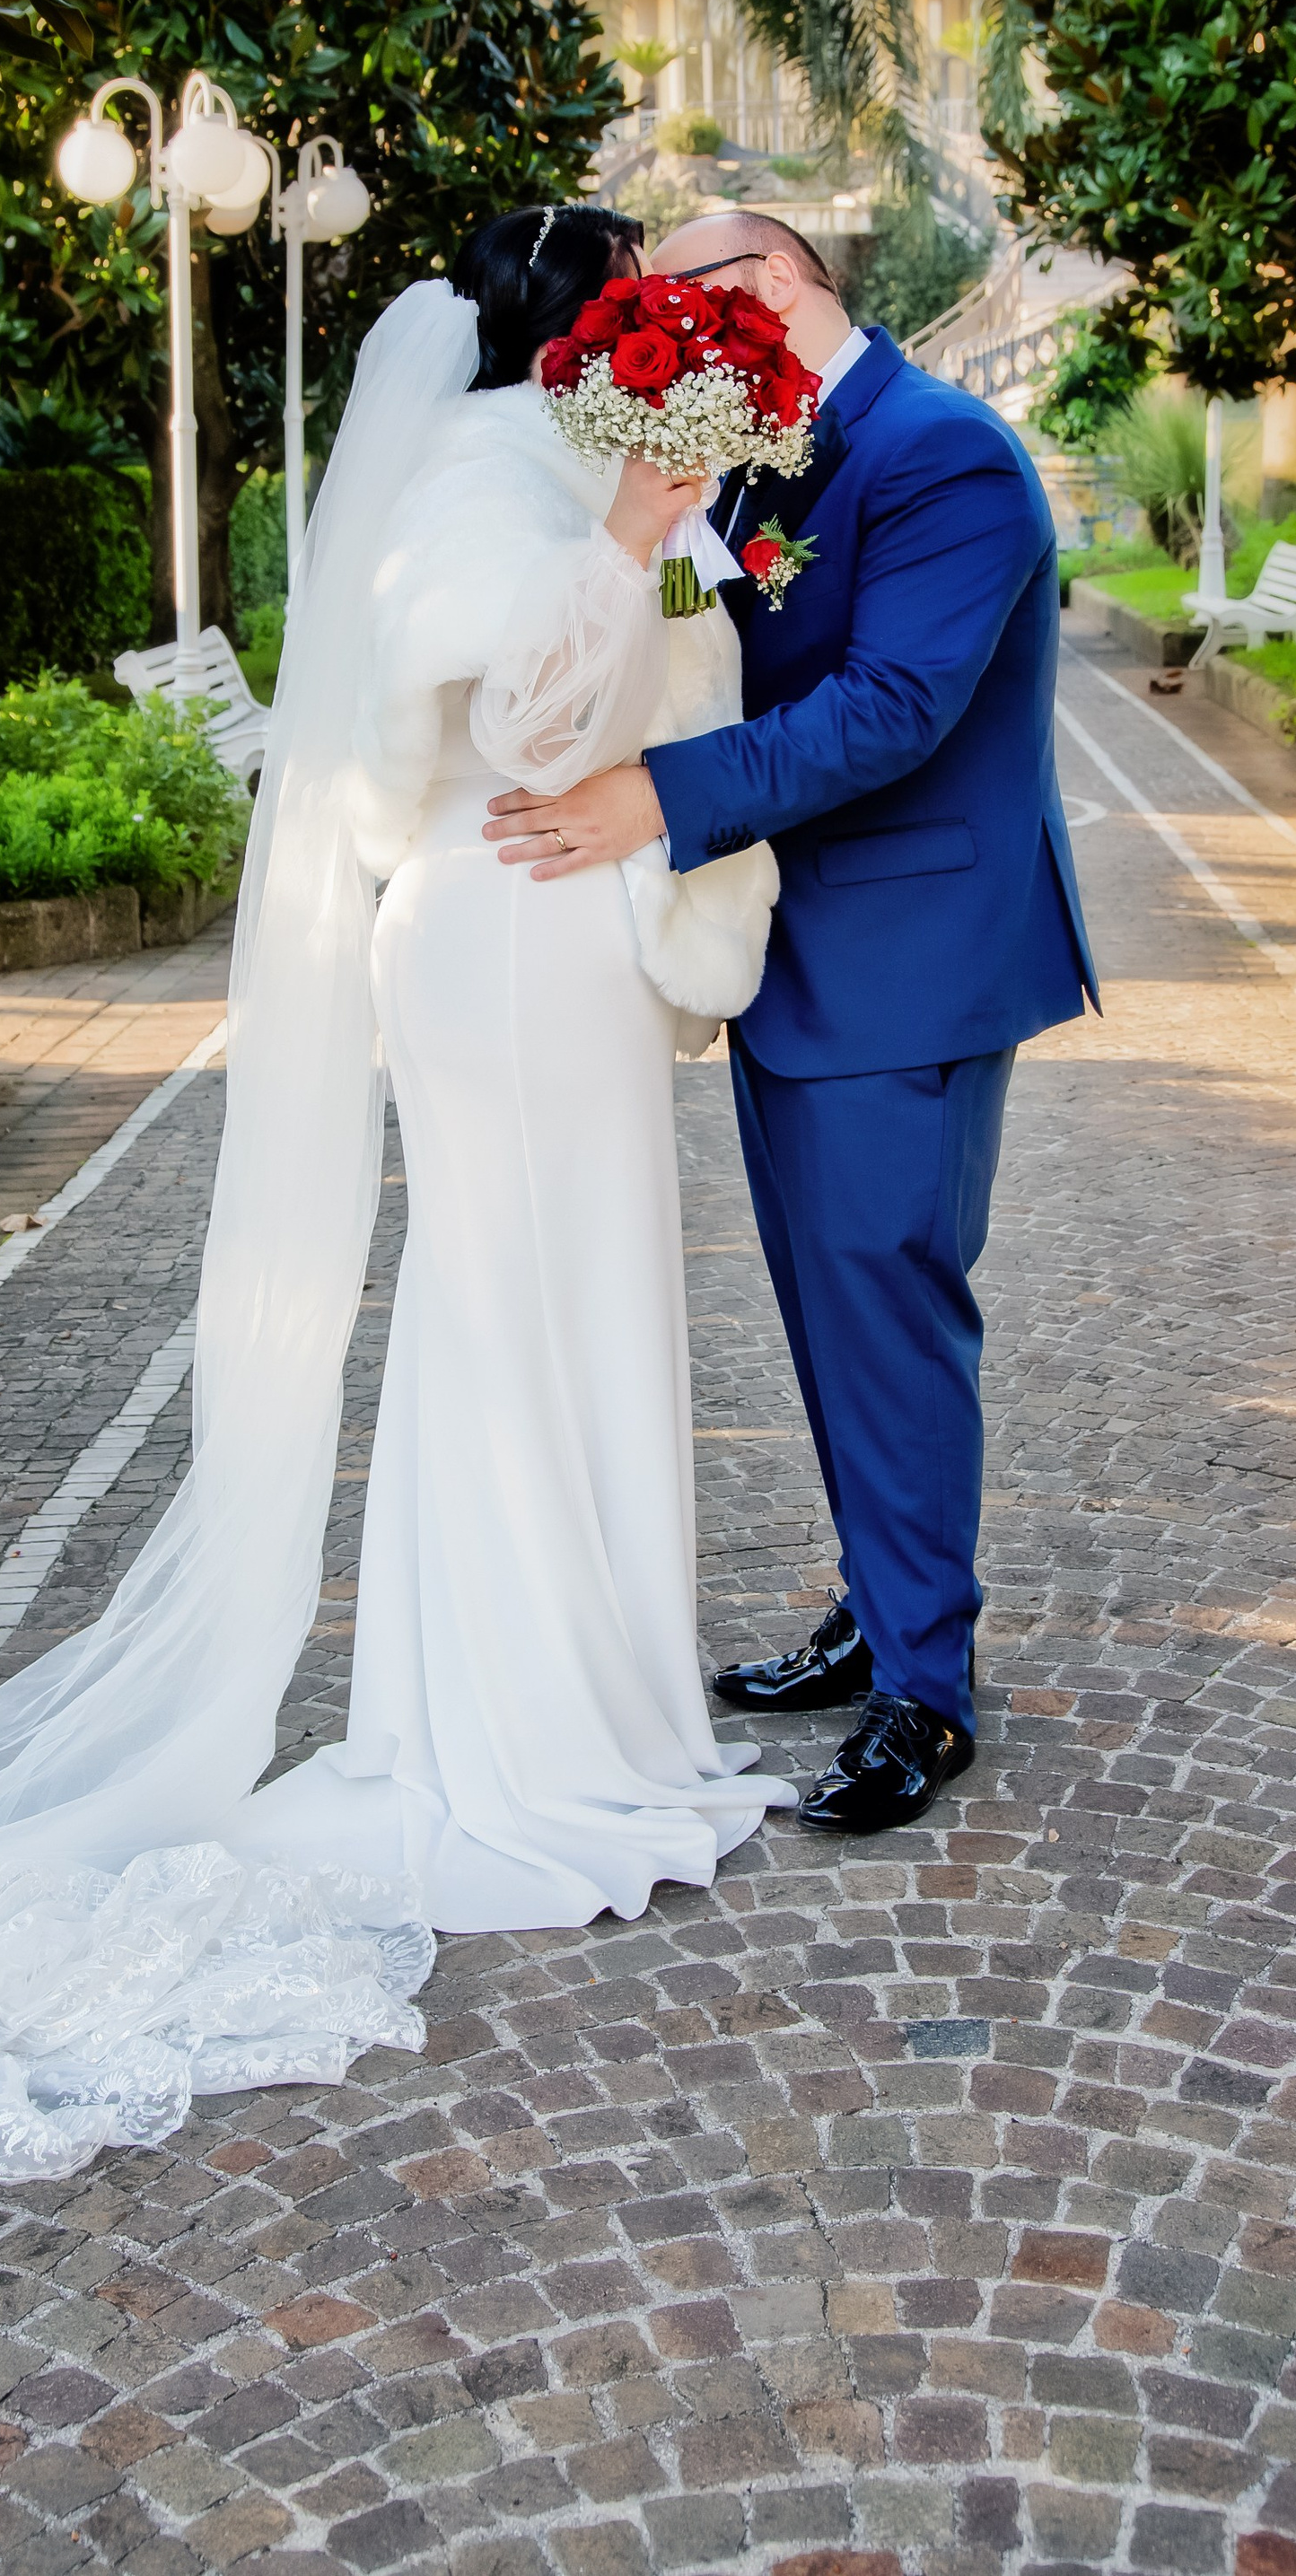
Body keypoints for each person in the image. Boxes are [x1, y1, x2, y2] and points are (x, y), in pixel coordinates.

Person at [0, 206, 792, 2185]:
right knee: (514, 1317)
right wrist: (637, 543)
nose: (675, 340)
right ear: (587, 329)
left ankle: (584, 1698)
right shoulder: (485, 488)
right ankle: (531, 1740)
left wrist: (658, 563)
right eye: (649, 307)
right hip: (504, 937)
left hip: (549, 943)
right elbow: (532, 724)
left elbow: (630, 710)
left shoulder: (542, 472)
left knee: (542, 1319)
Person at [484, 211, 1097, 1836]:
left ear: (775, 284)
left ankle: (927, 1694)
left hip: (913, 956)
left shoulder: (944, 453)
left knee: (889, 1314)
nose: (665, 333)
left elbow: (891, 707)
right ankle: (877, 1605)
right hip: (798, 956)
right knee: (832, 1317)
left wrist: (653, 801)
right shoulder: (758, 468)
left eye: (684, 298)